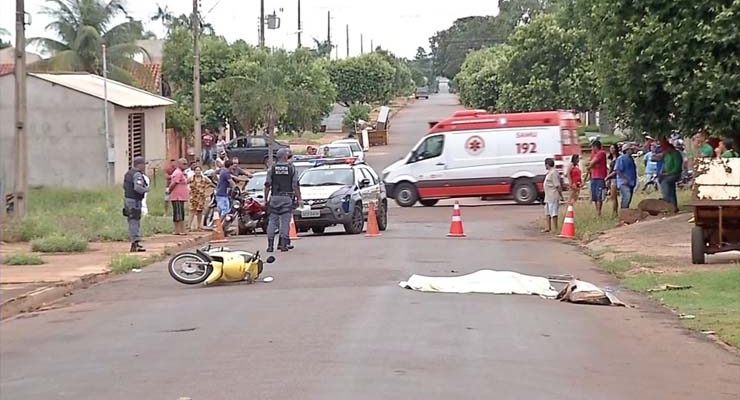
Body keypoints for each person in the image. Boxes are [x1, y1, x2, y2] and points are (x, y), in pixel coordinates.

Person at [264, 148, 302, 252]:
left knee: (272, 221)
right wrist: (299, 198)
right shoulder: (291, 168)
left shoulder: (272, 168)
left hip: (274, 197)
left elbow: (267, 184)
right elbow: (295, 185)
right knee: (285, 222)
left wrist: (265, 199)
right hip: (286, 197)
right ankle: (284, 245)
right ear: (285, 157)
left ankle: (270, 245)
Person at [123, 157, 150, 252]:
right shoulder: (137, 174)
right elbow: (138, 188)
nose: (144, 166)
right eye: (143, 164)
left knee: (132, 221)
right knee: (134, 221)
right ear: (139, 164)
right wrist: (146, 189)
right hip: (134, 201)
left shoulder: (128, 173)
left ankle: (135, 242)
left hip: (129, 200)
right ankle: (135, 243)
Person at [656, 138, 683, 211]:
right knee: (670, 188)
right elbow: (664, 164)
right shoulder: (667, 155)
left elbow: (677, 167)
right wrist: (662, 172)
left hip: (675, 174)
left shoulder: (676, 154)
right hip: (667, 174)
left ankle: (666, 200)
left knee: (666, 183)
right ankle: (673, 205)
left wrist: (668, 173)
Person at [609, 143, 638, 209]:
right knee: (626, 197)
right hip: (624, 183)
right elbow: (617, 170)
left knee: (628, 198)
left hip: (631, 182)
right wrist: (624, 179)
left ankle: (625, 212)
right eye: (631, 149)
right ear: (627, 150)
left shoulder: (631, 158)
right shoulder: (621, 158)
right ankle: (623, 212)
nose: (632, 150)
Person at [168, 158, 190, 235]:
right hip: (177, 196)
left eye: (186, 163)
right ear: (179, 164)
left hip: (181, 197)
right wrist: (169, 191)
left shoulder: (181, 173)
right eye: (183, 164)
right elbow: (174, 183)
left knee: (181, 213)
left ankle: (180, 230)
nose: (185, 165)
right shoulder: (178, 173)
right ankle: (179, 230)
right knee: (178, 214)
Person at [187, 165, 212, 231]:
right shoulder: (191, 178)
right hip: (193, 197)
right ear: (194, 171)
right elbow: (185, 183)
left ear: (201, 171)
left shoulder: (204, 178)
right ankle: (189, 226)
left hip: (201, 197)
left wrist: (205, 188)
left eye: (199, 170)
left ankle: (199, 226)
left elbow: (210, 183)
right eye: (196, 170)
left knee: (200, 211)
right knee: (192, 211)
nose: (197, 172)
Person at [588, 140, 608, 217]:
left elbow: (591, 163)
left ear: (595, 146)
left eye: (592, 147)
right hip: (594, 176)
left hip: (600, 176)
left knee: (599, 195)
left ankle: (599, 212)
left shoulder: (601, 153)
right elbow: (590, 163)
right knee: (595, 196)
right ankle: (597, 212)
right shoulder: (594, 154)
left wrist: (590, 165)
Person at [542, 158, 562, 233]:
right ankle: (548, 227)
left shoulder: (554, 173)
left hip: (553, 195)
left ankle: (555, 228)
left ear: (547, 164)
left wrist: (561, 195)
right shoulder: (549, 172)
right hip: (548, 196)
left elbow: (557, 185)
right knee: (547, 212)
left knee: (553, 212)